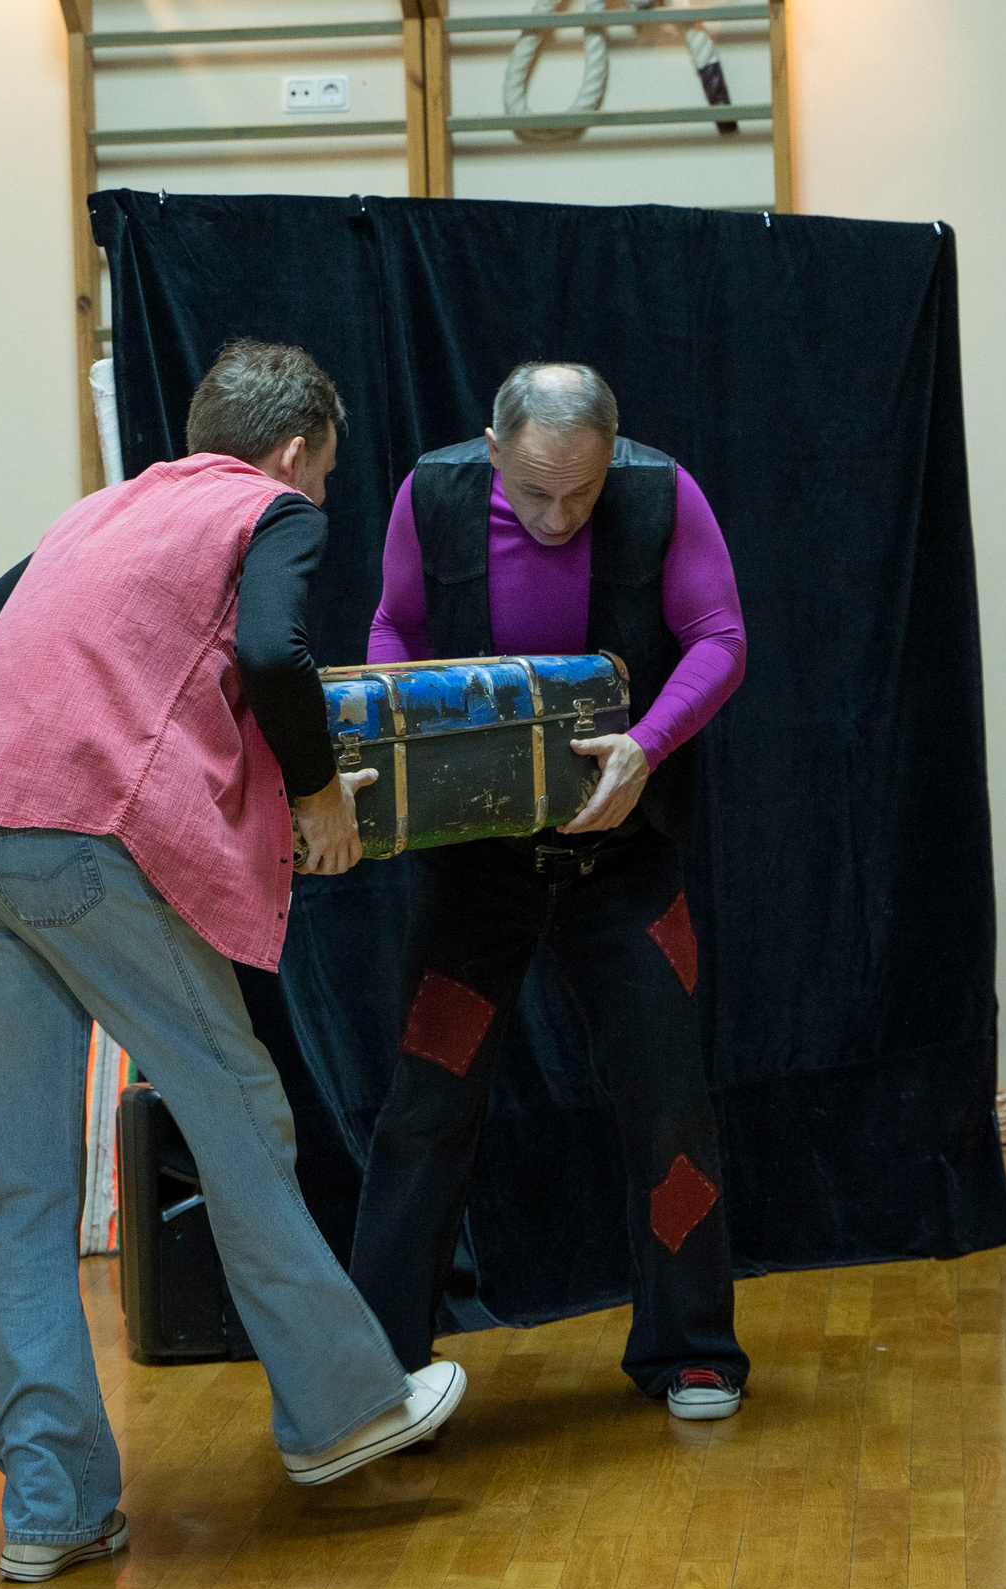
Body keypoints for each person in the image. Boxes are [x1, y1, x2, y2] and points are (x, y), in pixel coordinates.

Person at [0, 339, 465, 1585]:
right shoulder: (267, 511)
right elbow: (272, 659)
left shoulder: (100, 511)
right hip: (82, 852)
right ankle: (342, 1411)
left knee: (29, 1191)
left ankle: (51, 1509)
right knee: (238, 1110)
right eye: (322, 475)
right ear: (299, 450)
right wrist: (313, 794)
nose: (317, 498)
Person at [349, 360, 752, 1421]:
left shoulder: (662, 494)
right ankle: (375, 1371)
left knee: (668, 1102)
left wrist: (647, 748)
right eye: (533, 492)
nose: (558, 513)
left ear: (611, 455)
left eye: (580, 491)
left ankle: (692, 1348)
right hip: (476, 868)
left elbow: (720, 640)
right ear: (493, 449)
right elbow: (392, 628)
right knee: (424, 1110)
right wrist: (396, 752)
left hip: (623, 870)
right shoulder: (430, 494)